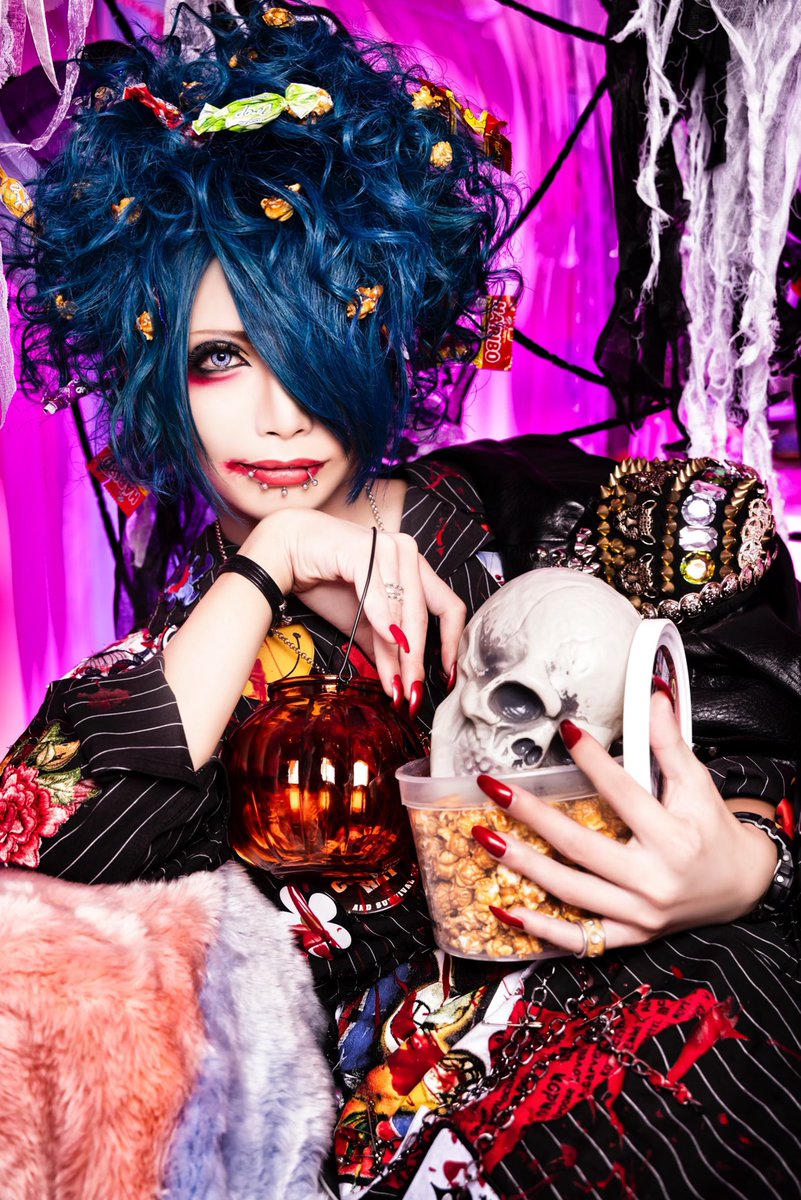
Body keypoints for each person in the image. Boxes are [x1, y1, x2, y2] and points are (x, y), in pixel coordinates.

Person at [2, 3, 801, 1196]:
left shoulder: (544, 511)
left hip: (725, 1022)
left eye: (317, 337)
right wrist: (269, 564)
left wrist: (743, 863)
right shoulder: (187, 668)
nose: (279, 415)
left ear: (388, 336)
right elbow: (38, 884)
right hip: (456, 1131)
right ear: (156, 369)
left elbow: (770, 716)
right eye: (222, 358)